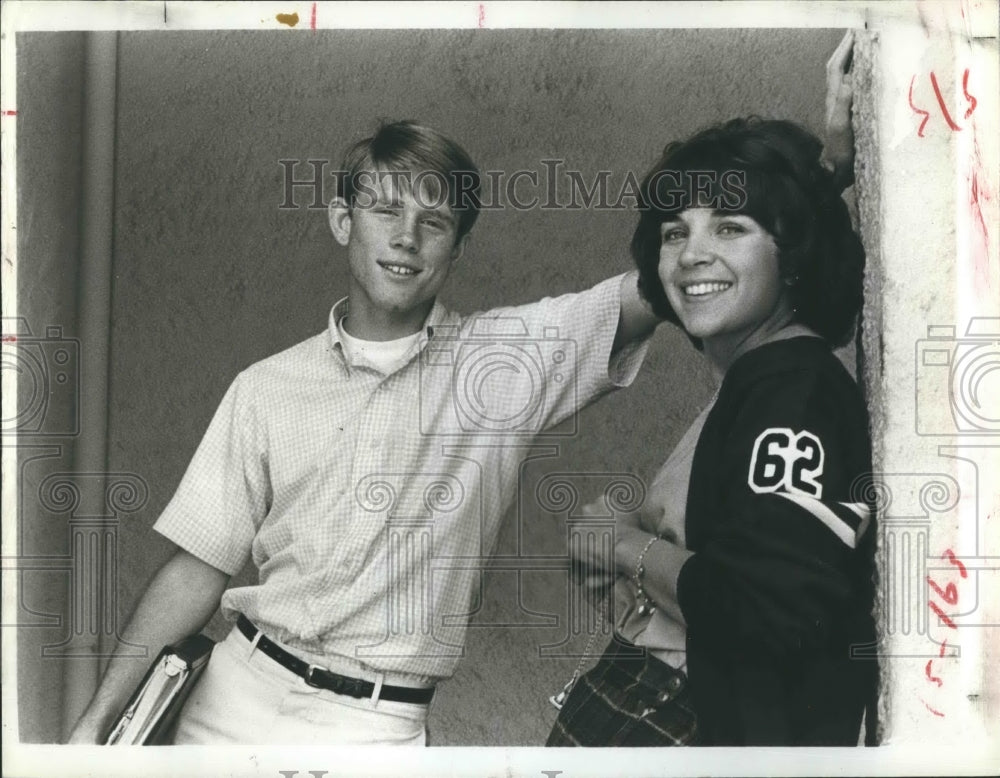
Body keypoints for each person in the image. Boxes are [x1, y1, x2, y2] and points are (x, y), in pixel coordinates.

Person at [69, 34, 858, 747]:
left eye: (434, 221)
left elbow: (687, 271)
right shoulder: (264, 388)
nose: (405, 238)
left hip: (373, 727)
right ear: (344, 221)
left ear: (458, 245)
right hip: (231, 696)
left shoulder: (506, 361)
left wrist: (831, 168)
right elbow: (195, 569)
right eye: (384, 210)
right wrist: (92, 729)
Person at [546, 112, 878, 747]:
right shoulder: (756, 380)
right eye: (675, 233)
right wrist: (622, 578)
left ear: (794, 253)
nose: (693, 254)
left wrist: (622, 548)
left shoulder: (794, 394)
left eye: (730, 227)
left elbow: (768, 611)